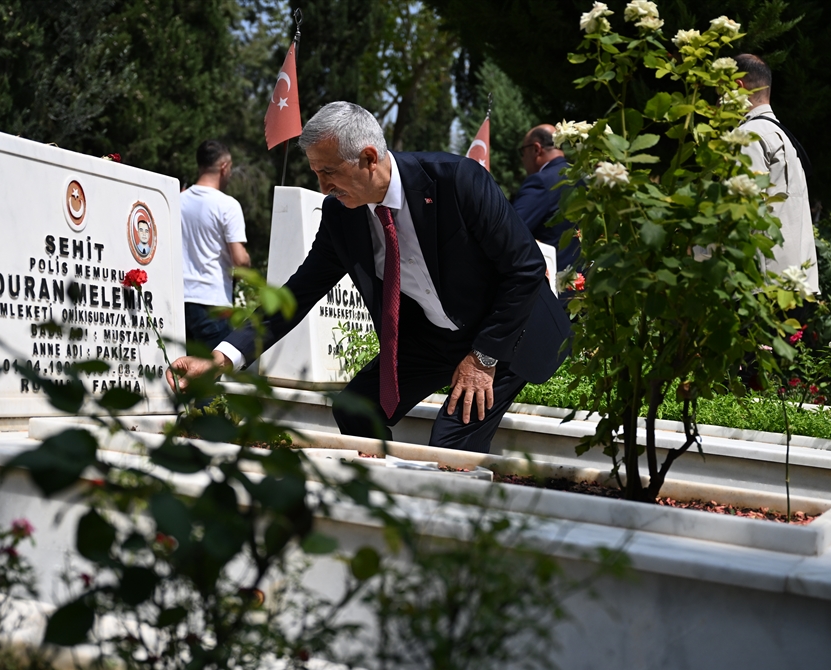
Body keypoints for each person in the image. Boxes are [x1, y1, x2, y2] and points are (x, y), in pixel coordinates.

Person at [168, 102, 569, 454]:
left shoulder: (456, 180)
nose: (323, 186)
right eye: (315, 173)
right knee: (354, 408)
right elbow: (297, 293)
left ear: (369, 157)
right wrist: (221, 358)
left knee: (451, 444)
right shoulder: (341, 215)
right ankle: (389, 490)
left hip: (505, 333)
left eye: (329, 172)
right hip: (434, 337)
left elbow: (526, 270)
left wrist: (482, 359)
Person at [734, 53, 818, 295]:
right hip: (799, 284)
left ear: (737, 87)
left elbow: (743, 211)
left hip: (763, 288)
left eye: (720, 91)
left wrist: (698, 253)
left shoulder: (749, 135)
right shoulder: (783, 136)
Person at [180, 140, 250, 350]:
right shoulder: (227, 205)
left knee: (180, 373)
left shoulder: (177, 200)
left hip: (180, 298)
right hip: (213, 301)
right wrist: (246, 263)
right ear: (224, 167)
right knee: (212, 374)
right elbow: (239, 260)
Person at [513, 124, 580, 271]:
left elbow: (511, 232)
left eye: (523, 152)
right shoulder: (582, 177)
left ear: (536, 149)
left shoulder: (541, 182)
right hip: (586, 282)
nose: (523, 159)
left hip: (554, 283)